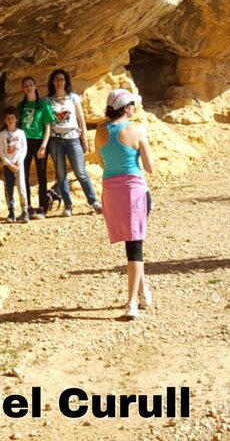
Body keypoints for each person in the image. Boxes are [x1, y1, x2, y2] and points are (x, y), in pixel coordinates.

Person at [96, 89, 155, 320]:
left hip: (111, 192)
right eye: (132, 104)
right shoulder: (137, 130)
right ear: (126, 107)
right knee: (135, 247)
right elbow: (150, 168)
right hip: (134, 192)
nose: (134, 108)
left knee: (131, 246)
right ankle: (131, 302)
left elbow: (102, 162)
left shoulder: (100, 131)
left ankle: (143, 291)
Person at [45, 68, 102, 215]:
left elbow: (80, 119)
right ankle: (68, 206)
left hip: (73, 139)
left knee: (81, 172)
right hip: (55, 140)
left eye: (62, 79)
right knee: (61, 174)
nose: (59, 82)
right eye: (56, 79)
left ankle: (94, 201)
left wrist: (84, 139)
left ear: (66, 82)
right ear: (52, 82)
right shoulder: (48, 101)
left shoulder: (73, 98)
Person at [17, 76, 56, 219]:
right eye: (25, 85)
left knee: (42, 175)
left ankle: (42, 207)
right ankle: (27, 207)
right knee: (24, 175)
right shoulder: (21, 106)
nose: (28, 87)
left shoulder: (43, 104)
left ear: (35, 86)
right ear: (23, 88)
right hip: (24, 143)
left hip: (39, 142)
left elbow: (48, 127)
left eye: (30, 85)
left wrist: (44, 146)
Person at [0, 107, 32, 223]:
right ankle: (11, 212)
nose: (10, 120)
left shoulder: (21, 133)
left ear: (16, 119)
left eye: (12, 118)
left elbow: (24, 149)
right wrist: (8, 163)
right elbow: (1, 151)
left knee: (22, 187)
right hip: (8, 165)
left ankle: (25, 211)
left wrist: (19, 161)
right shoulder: (2, 134)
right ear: (5, 120)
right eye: (8, 118)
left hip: (19, 164)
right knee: (9, 189)